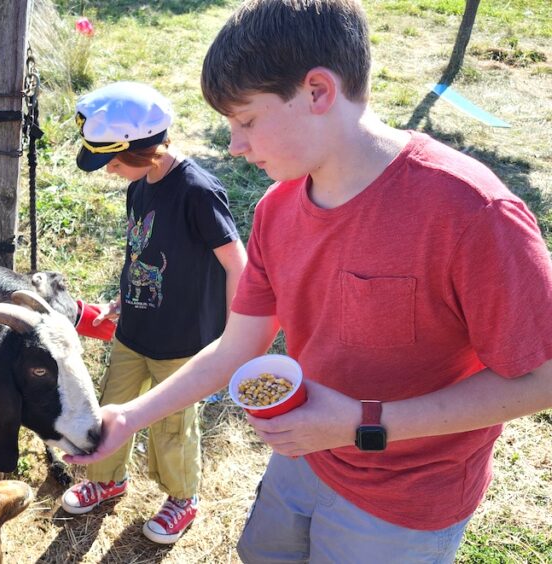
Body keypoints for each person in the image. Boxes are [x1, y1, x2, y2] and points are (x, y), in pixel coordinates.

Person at [64, 1, 552, 562]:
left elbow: (541, 379)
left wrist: (365, 425)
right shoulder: (276, 210)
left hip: (405, 501)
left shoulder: (470, 211)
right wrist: (130, 416)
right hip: (302, 456)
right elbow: (236, 349)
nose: (235, 146)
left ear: (318, 92)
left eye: (246, 120)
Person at [61, 81, 248, 545]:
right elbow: (139, 253)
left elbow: (236, 264)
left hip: (183, 343)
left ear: (145, 150)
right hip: (134, 330)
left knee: (172, 426)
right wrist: (123, 300)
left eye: (113, 161)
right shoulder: (140, 185)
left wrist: (232, 340)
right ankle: (108, 479)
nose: (109, 171)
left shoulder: (198, 192)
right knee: (111, 405)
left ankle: (183, 497)